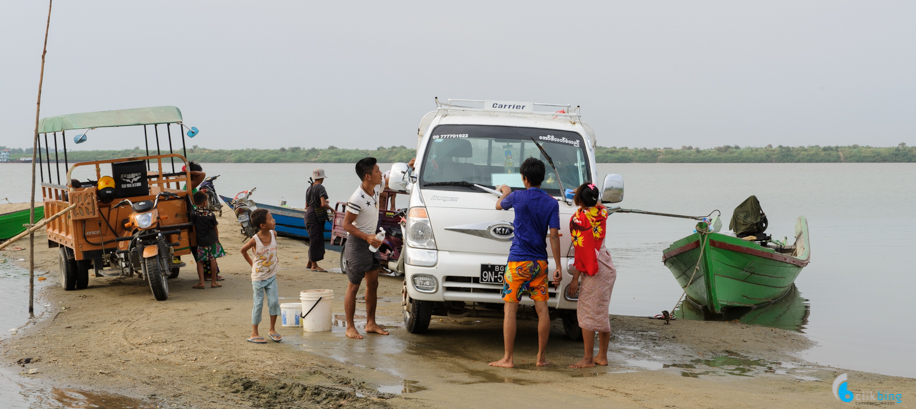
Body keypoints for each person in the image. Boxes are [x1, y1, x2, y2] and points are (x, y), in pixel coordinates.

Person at [489, 157, 562, 368]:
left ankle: (508, 359)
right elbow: (555, 236)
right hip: (539, 263)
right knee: (542, 310)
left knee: (510, 310)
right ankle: (540, 358)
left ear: (525, 178)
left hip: (518, 263)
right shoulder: (551, 203)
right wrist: (557, 266)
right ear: (542, 179)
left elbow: (498, 205)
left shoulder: (517, 197)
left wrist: (505, 190)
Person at [567, 183, 616, 369]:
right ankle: (602, 356)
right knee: (602, 312)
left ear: (579, 200)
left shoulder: (579, 219)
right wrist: (587, 196)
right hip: (608, 266)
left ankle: (587, 359)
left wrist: (574, 278)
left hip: (594, 268)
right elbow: (598, 203)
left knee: (586, 313)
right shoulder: (602, 211)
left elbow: (582, 252)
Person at [342, 157, 391, 339]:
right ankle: (350, 327)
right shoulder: (357, 198)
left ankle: (370, 323)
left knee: (373, 284)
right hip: (357, 243)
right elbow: (346, 224)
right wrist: (367, 237)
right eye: (378, 171)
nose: (381, 173)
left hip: (373, 241)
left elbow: (393, 177)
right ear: (368, 176)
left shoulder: (377, 187)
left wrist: (411, 166)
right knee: (353, 287)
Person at [240, 209, 282, 344]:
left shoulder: (273, 234)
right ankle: (254, 333)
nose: (273, 220)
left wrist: (276, 259)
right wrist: (252, 264)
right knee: (258, 304)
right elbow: (243, 250)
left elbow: (273, 249)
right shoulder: (255, 240)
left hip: (271, 275)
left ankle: (272, 330)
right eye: (270, 218)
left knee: (274, 302)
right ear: (262, 225)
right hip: (258, 278)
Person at [191, 191, 224, 289]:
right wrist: (217, 239)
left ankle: (201, 282)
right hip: (211, 240)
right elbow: (215, 227)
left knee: (200, 261)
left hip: (201, 241)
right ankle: (213, 282)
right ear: (205, 202)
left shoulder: (194, 214)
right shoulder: (210, 214)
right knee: (212, 259)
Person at [304, 168, 332, 272]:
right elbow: (324, 204)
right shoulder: (320, 187)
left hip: (309, 215)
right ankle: (314, 265)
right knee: (316, 240)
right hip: (315, 216)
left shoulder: (309, 188)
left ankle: (310, 262)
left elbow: (307, 205)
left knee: (313, 239)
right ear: (322, 178)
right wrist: (332, 209)